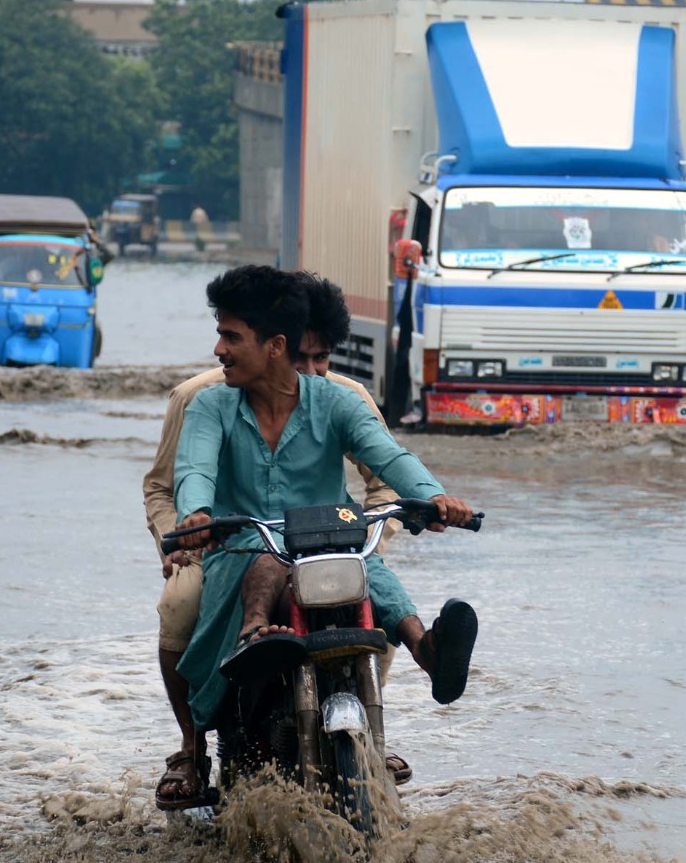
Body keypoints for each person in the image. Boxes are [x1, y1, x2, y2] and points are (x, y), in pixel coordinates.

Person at [166, 268, 481, 806]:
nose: (219, 349)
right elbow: (193, 468)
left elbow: (388, 457)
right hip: (241, 550)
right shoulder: (209, 406)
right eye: (221, 335)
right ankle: (242, 660)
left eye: (232, 336)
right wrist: (195, 513)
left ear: (274, 346)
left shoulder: (339, 402)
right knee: (257, 566)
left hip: (328, 545)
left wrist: (434, 498)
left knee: (372, 571)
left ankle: (428, 652)